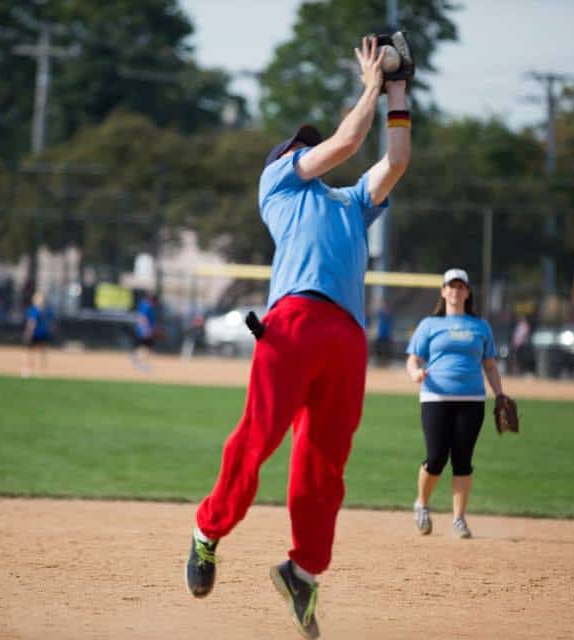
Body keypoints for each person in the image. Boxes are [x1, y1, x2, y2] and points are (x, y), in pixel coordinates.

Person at [185, 36, 411, 640]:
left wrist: (397, 94)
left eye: (309, 145)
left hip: (346, 336)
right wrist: (371, 85)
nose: (308, 149)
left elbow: (394, 163)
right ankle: (208, 531)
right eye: (300, 146)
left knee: (325, 462)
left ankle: (303, 572)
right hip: (293, 323)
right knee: (259, 438)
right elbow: (348, 143)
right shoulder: (278, 184)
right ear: (286, 158)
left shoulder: (351, 203)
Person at [405, 268, 506, 540]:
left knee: (463, 460)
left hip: (472, 399)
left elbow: (490, 365)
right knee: (436, 457)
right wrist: (415, 373)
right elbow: (413, 358)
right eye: (451, 286)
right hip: (436, 397)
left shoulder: (480, 326)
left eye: (461, 287)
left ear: (468, 292)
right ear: (443, 291)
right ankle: (422, 504)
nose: (456, 291)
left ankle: (459, 519)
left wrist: (500, 394)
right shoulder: (429, 325)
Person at [22, 292, 53, 378]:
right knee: (42, 351)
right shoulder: (47, 310)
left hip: (36, 333)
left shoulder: (34, 310)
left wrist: (28, 333)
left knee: (30, 351)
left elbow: (32, 323)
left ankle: (30, 368)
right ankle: (42, 369)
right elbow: (51, 323)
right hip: (44, 333)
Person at [132, 293, 158, 371]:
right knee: (146, 348)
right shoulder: (146, 306)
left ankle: (139, 361)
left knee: (146, 348)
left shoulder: (144, 305)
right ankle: (139, 362)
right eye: (154, 301)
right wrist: (146, 330)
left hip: (145, 330)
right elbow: (143, 318)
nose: (155, 304)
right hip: (145, 331)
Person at [373, 302, 394, 367]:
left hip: (387, 336)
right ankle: (379, 361)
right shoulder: (381, 314)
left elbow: (389, 314)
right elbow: (377, 312)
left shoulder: (389, 316)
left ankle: (386, 361)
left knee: (387, 350)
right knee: (378, 349)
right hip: (380, 335)